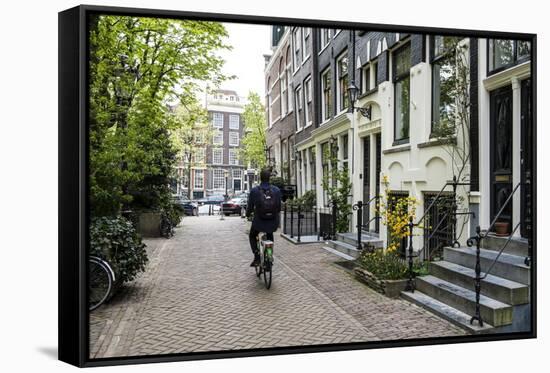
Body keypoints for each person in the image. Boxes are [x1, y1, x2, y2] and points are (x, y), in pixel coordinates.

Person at [246, 168, 282, 267]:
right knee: (270, 234)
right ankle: (269, 256)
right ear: (269, 178)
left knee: (252, 235)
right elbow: (279, 207)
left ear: (260, 178)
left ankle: (257, 256)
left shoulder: (254, 191)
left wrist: (247, 215)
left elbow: (250, 207)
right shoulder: (276, 190)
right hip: (272, 221)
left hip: (259, 222)